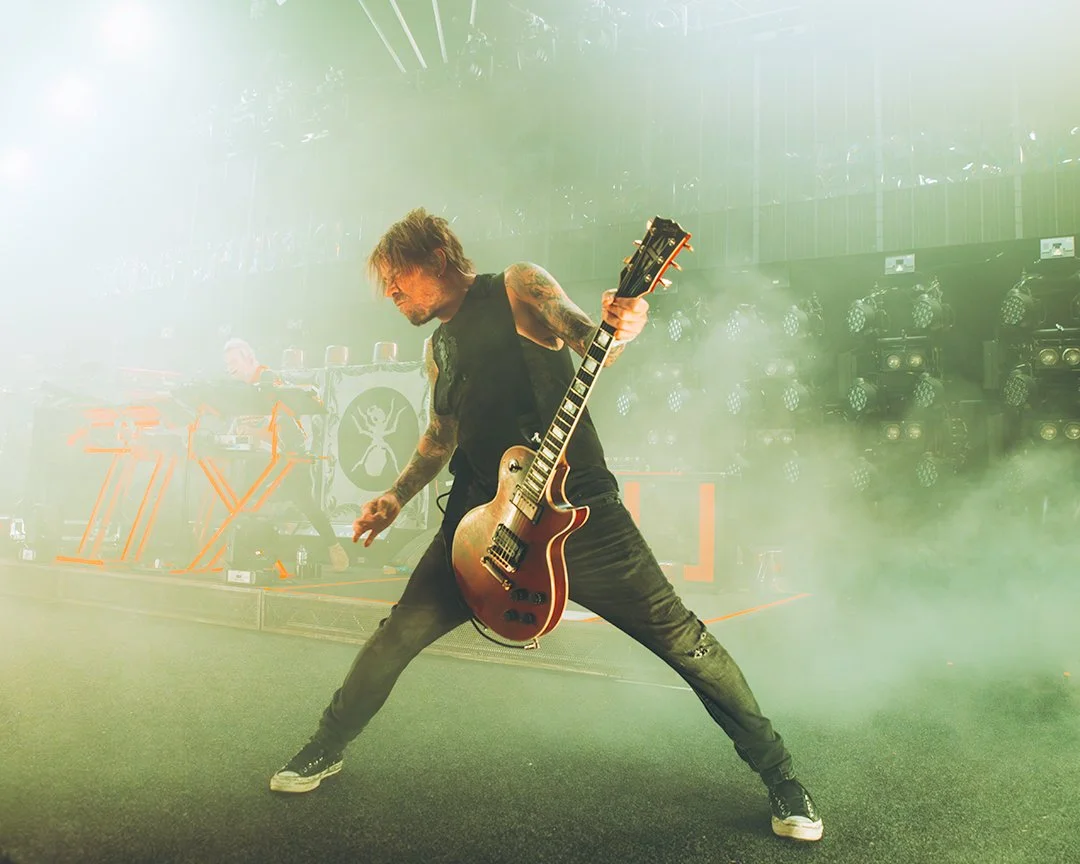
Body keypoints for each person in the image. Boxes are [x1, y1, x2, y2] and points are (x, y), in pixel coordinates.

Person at [269, 209, 823, 842]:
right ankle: (325, 744)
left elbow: (593, 341)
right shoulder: (438, 346)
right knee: (397, 633)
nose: (391, 295)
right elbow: (439, 437)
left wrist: (623, 320)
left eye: (398, 280)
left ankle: (781, 777)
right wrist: (395, 497)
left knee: (682, 639)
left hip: (576, 507)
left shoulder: (517, 287)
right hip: (480, 518)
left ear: (437, 260)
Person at [222, 338, 349, 573]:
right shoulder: (241, 390)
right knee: (243, 497)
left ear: (249, 358)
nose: (229, 366)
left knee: (305, 502)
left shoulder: (269, 380)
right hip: (260, 457)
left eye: (234, 361)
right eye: (226, 362)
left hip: (290, 454)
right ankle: (248, 550)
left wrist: (254, 432)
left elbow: (284, 422)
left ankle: (334, 545)